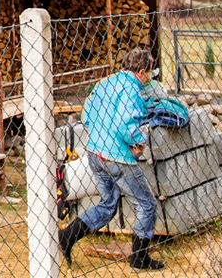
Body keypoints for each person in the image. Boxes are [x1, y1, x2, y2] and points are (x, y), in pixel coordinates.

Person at [58, 47, 166, 271]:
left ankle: (67, 236)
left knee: (108, 204)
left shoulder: (106, 83)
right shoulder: (131, 89)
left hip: (95, 153)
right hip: (117, 157)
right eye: (149, 74)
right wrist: (139, 142)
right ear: (143, 72)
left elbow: (87, 115)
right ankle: (140, 258)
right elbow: (125, 123)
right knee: (146, 203)